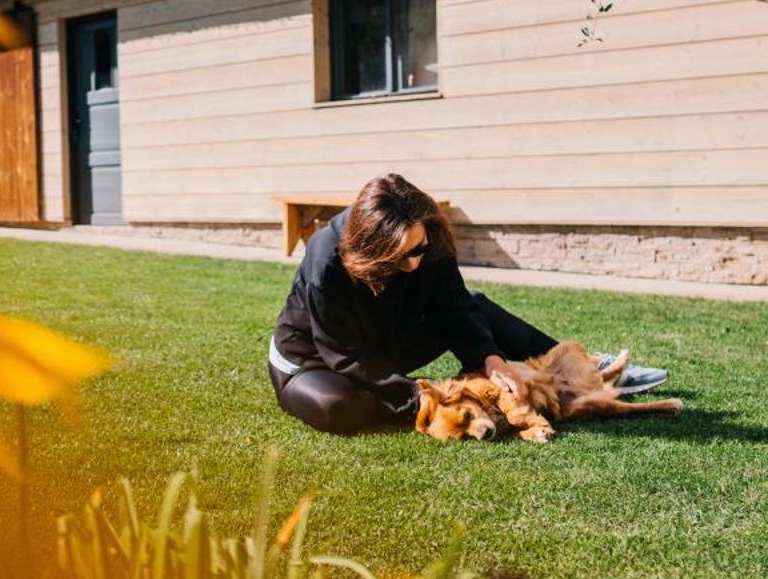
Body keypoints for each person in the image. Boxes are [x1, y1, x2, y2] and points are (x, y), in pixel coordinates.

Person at [268, 173, 667, 436]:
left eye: (420, 248)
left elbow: (455, 307)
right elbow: (344, 356)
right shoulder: (326, 261)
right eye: (400, 257)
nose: (415, 263)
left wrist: (491, 359)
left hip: (381, 340)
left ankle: (585, 370)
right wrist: (425, 395)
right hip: (316, 362)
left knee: (474, 306)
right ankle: (417, 406)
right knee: (341, 408)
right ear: (372, 253)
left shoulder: (429, 238)